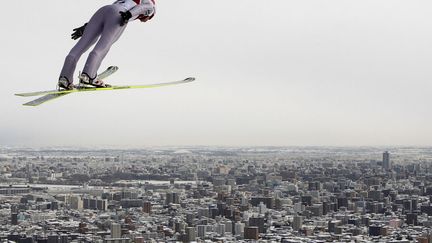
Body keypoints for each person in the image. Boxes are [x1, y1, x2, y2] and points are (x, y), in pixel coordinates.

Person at [58, 0, 156, 90]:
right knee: (103, 45)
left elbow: (111, 9)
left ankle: (65, 78)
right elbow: (145, 7)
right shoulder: (152, 7)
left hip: (104, 10)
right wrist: (128, 15)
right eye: (148, 19)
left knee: (81, 46)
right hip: (120, 14)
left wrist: (86, 27)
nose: (145, 21)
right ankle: (89, 75)